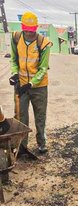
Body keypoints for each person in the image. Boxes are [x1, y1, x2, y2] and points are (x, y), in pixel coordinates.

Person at [9, 11, 51, 153]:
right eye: (26, 31)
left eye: (31, 31)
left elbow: (43, 68)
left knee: (40, 115)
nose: (29, 34)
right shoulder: (15, 38)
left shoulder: (43, 43)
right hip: (20, 85)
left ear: (36, 28)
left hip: (39, 86)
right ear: (22, 28)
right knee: (21, 116)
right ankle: (21, 146)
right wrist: (14, 74)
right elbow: (14, 59)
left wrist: (31, 83)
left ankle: (41, 144)